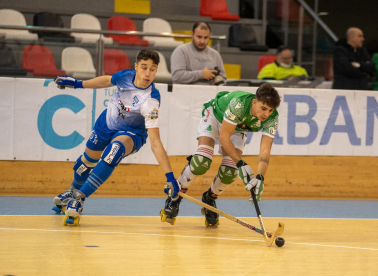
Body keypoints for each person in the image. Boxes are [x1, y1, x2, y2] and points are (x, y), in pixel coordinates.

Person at [52, 49, 180, 225]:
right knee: (84, 165)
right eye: (144, 67)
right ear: (136, 67)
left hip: (131, 134)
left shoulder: (151, 101)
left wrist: (170, 177)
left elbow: (155, 142)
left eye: (153, 69)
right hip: (106, 123)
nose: (148, 73)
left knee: (114, 151)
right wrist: (78, 84)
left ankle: (79, 199)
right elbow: (107, 80)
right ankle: (73, 192)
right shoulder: (126, 76)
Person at [161, 83, 281, 226]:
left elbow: (265, 149)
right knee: (201, 161)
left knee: (230, 172)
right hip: (215, 115)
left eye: (270, 110)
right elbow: (224, 137)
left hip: (237, 127)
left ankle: (209, 198)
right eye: (263, 108)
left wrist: (260, 177)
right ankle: (175, 195)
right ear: (255, 102)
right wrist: (241, 163)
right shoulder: (239, 104)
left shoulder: (272, 118)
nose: (266, 114)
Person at [170, 21, 226, 85]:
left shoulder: (215, 54)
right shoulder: (181, 51)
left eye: (206, 38)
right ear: (192, 35)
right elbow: (176, 76)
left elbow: (223, 78)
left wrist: (217, 83)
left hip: (209, 93)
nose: (202, 41)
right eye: (199, 37)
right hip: (185, 93)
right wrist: (201, 74)